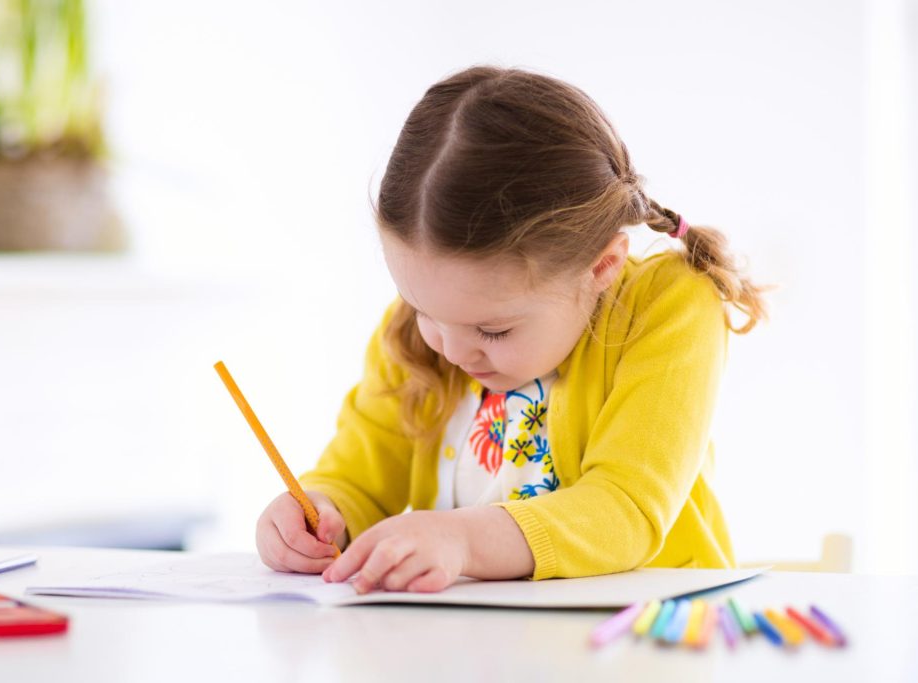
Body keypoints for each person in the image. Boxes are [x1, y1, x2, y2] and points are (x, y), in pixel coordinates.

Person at [255, 65, 767, 593]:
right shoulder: (423, 329)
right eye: (422, 310)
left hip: (643, 636)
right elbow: (358, 478)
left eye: (492, 330)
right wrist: (317, 510)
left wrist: (461, 540)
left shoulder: (666, 304)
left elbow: (626, 507)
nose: (452, 351)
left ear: (601, 267)